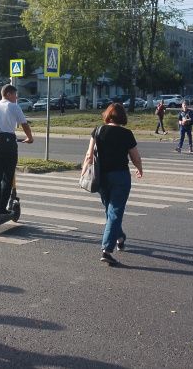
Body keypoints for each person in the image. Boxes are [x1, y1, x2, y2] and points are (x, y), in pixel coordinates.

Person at [83, 103, 143, 266]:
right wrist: (139, 169)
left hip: (102, 177)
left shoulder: (97, 130)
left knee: (110, 210)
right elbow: (135, 156)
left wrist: (83, 171)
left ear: (107, 115)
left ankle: (120, 237)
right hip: (120, 177)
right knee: (115, 211)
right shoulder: (126, 134)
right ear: (122, 117)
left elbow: (89, 155)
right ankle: (107, 250)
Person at [0, 84, 34, 217]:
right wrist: (29, 138)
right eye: (15, 95)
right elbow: (24, 124)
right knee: (7, 177)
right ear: (8, 94)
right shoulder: (13, 106)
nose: (16, 98)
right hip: (9, 146)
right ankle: (2, 208)